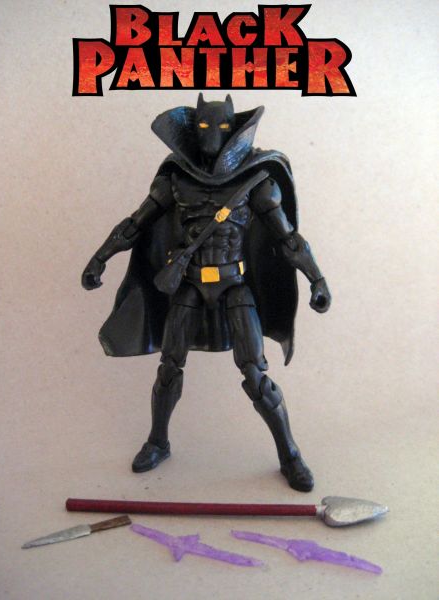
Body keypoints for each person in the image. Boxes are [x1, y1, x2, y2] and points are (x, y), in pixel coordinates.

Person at [82, 94, 331, 492]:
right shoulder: (176, 178)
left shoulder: (256, 180)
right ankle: (158, 442)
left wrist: (316, 279)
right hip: (190, 284)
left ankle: (290, 455)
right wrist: (100, 258)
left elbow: (288, 239)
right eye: (202, 127)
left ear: (234, 130)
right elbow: (135, 224)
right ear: (192, 130)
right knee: (169, 368)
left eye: (219, 127)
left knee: (255, 374)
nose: (212, 135)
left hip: (234, 285)